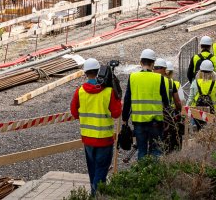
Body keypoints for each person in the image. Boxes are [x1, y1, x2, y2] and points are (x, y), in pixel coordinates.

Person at [70, 57, 121, 195]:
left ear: (85, 73)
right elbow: (116, 113)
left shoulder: (80, 92)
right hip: (104, 140)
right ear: (99, 71)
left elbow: (74, 113)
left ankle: (96, 193)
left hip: (88, 140)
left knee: (93, 170)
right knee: (101, 171)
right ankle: (96, 195)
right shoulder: (108, 92)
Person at [122, 49, 169, 160]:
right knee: (156, 151)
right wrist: (167, 119)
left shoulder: (133, 77)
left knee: (142, 151)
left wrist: (124, 119)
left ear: (140, 62)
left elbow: (127, 99)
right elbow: (165, 101)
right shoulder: (159, 78)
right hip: (156, 123)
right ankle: (154, 175)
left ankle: (143, 175)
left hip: (139, 122)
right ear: (153, 64)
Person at [155, 58, 183, 152]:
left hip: (152, 116)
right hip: (169, 116)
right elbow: (179, 102)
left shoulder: (150, 81)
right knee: (169, 140)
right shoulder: (171, 83)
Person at [187, 59, 216, 131]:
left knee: (200, 129)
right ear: (212, 71)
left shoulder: (195, 82)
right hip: (213, 112)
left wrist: (186, 109)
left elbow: (190, 98)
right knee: (211, 131)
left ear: (200, 71)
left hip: (197, 112)